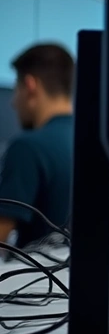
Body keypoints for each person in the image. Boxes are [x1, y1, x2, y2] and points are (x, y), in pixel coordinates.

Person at [0, 44, 75, 248]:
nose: (14, 102)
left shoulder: (27, 147)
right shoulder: (95, 143)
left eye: (16, 89)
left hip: (35, 267)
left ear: (30, 85)